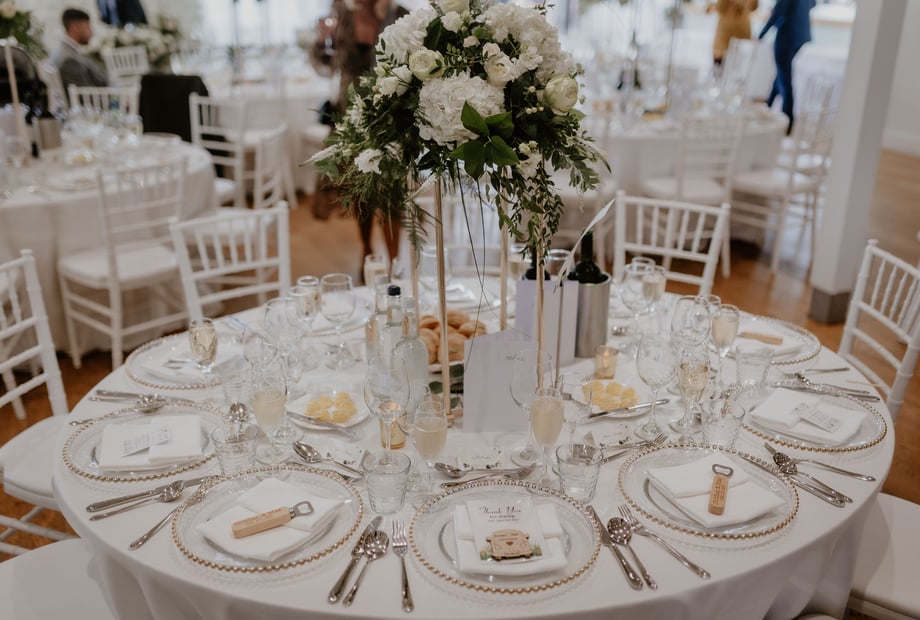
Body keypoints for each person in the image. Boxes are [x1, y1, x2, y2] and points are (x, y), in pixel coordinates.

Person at [327, 0, 407, 268]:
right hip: (351, 116)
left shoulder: (399, 14)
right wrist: (323, 42)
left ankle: (394, 262)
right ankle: (367, 251)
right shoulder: (343, 17)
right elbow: (327, 65)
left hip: (391, 117)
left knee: (393, 195)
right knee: (361, 194)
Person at [759, 0, 815, 133]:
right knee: (781, 72)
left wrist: (761, 34)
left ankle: (788, 119)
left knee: (784, 77)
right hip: (801, 35)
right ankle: (768, 107)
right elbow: (813, 4)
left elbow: (778, 12)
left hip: (787, 35)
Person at [51, 8, 108, 94]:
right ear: (75, 28)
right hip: (100, 99)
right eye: (87, 26)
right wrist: (117, 97)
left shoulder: (66, 51)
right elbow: (86, 95)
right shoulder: (69, 60)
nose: (92, 33)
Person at [710, 0, 759, 66]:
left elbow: (754, 7)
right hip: (725, 35)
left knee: (740, 64)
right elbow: (720, 8)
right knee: (719, 62)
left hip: (741, 34)